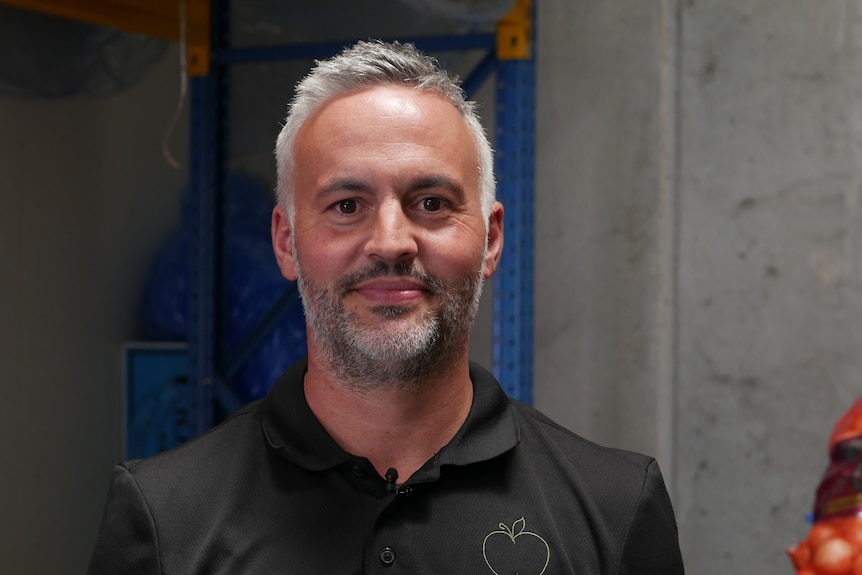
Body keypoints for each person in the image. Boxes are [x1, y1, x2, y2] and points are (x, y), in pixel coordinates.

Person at [88, 40, 685, 574]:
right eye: (347, 205)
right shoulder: (164, 518)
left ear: (491, 241)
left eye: (430, 201)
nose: (391, 241)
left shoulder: (616, 509)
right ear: (286, 241)